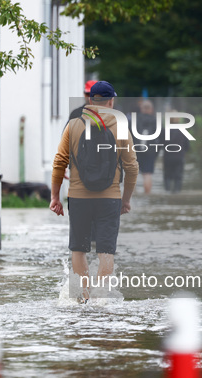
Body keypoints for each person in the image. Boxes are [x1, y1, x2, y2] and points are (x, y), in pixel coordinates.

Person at [50, 81, 139, 303]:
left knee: (79, 248)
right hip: (110, 198)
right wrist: (125, 199)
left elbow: (59, 162)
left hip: (79, 197)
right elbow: (132, 167)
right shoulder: (120, 126)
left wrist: (55, 196)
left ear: (90, 100)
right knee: (106, 249)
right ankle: (101, 300)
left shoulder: (74, 125)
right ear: (111, 101)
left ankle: (84, 298)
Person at [131, 100, 159, 194]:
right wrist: (156, 152)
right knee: (147, 174)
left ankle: (132, 195)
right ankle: (147, 196)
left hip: (135, 149)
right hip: (150, 150)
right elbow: (159, 138)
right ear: (151, 109)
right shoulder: (156, 121)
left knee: (133, 174)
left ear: (141, 109)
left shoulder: (135, 119)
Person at [162, 111, 190, 193]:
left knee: (167, 176)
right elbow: (187, 146)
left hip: (167, 157)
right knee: (178, 177)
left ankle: (167, 192)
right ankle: (177, 194)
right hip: (179, 157)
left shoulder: (164, 130)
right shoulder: (183, 130)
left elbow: (160, 144)